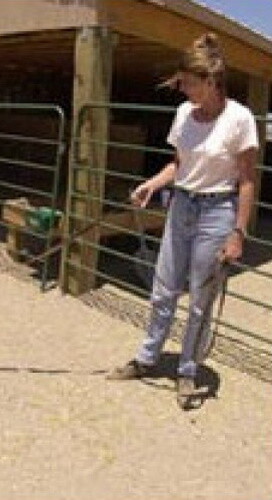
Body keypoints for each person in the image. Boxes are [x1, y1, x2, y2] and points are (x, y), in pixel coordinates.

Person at [107, 33, 259, 409]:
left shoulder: (239, 118)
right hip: (182, 205)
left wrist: (238, 232)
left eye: (190, 83)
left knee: (199, 299)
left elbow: (247, 181)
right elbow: (179, 164)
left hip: (218, 211)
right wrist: (151, 184)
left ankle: (187, 369)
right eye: (183, 83)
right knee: (163, 288)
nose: (185, 90)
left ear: (211, 81)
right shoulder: (182, 114)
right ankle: (146, 357)